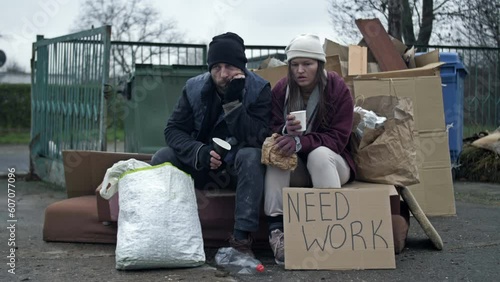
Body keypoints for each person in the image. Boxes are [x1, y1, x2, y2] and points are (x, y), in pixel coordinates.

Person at [151, 32, 272, 257]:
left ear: (241, 67)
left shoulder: (259, 89)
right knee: (162, 157)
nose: (223, 74)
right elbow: (173, 129)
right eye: (216, 67)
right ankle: (164, 231)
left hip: (237, 172)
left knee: (251, 155)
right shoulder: (193, 88)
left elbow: (259, 137)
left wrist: (233, 103)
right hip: (203, 165)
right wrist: (198, 152)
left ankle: (241, 240)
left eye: (229, 66)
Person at [264, 34, 356, 265]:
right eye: (294, 64)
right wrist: (285, 130)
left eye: (307, 64)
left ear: (320, 64)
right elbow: (271, 126)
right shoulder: (282, 90)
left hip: (333, 164)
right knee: (279, 154)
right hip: (298, 168)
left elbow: (338, 139)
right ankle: (277, 233)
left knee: (319, 154)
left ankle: (329, 230)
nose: (300, 70)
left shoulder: (337, 89)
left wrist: (301, 142)